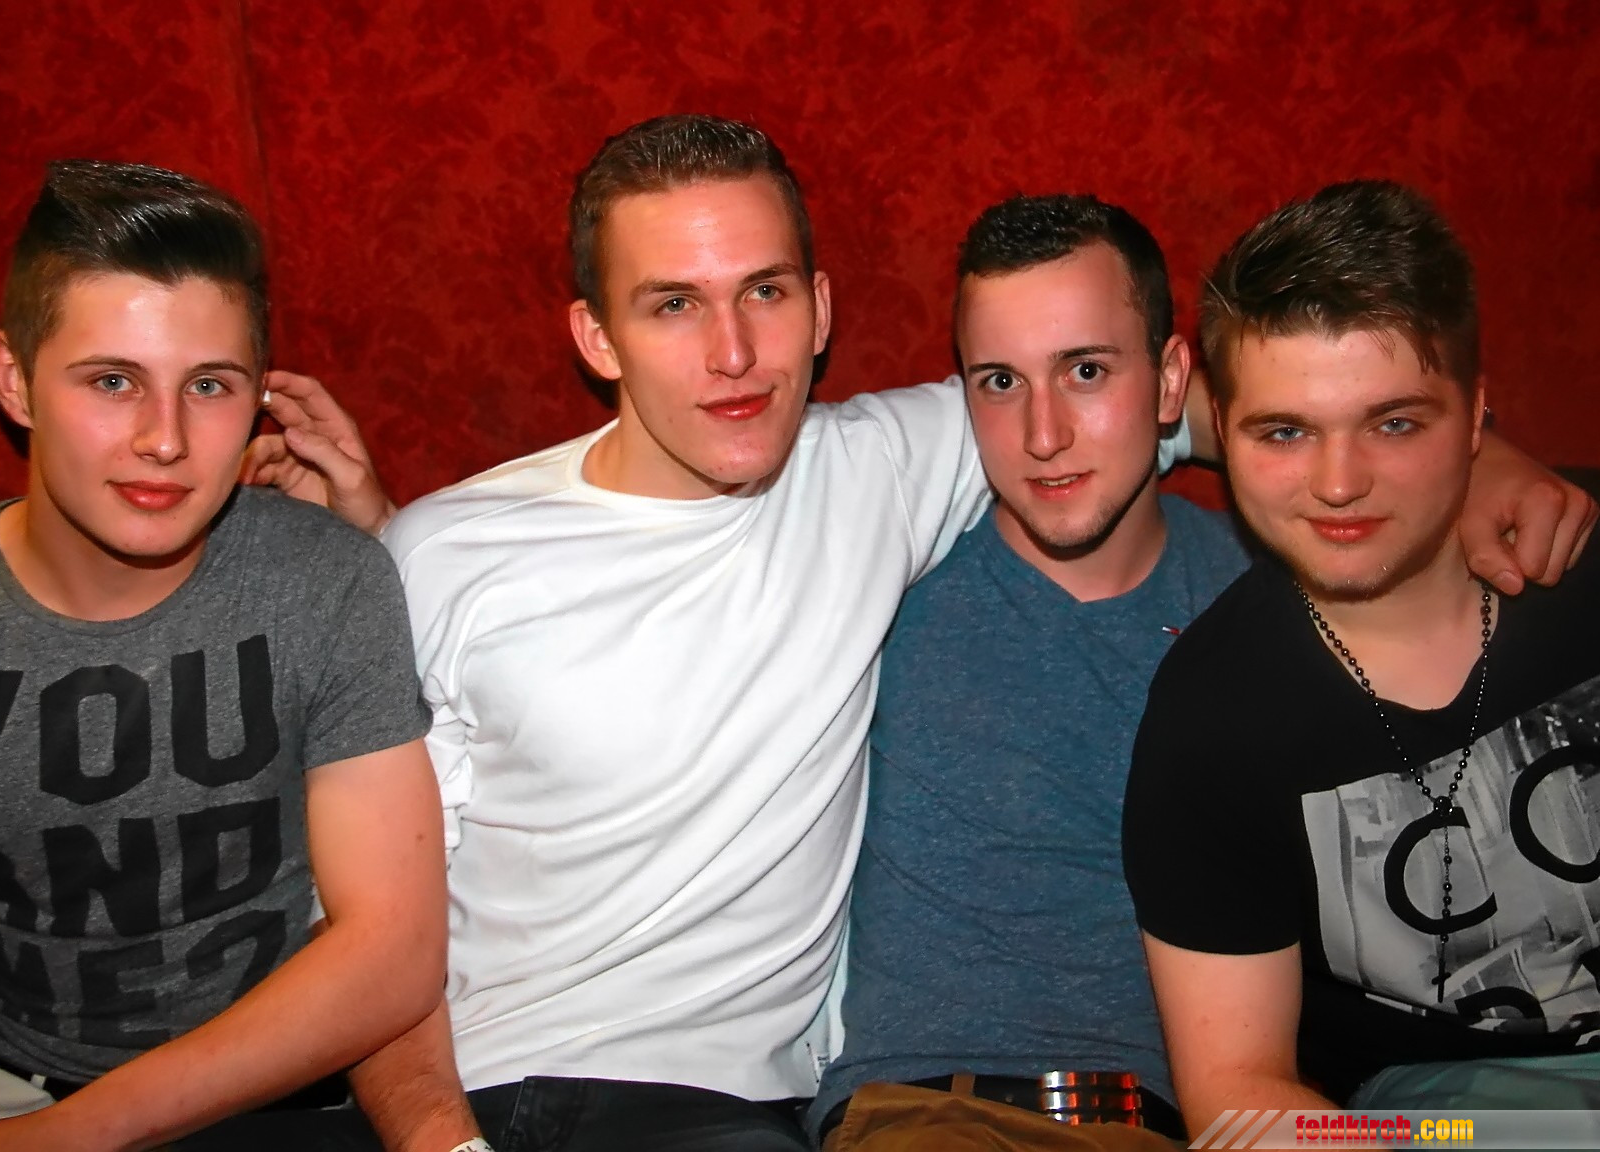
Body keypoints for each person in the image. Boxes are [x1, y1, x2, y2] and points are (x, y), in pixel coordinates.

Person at [243, 119, 1596, 1152]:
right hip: (832, 1111)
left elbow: (1298, 408)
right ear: (596, 336)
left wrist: (1473, 457)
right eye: (672, 304)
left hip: (1044, 1117)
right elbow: (387, 891)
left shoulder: (1204, 585)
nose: (1042, 431)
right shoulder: (477, 552)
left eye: (763, 293)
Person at [0, 160, 449, 1152]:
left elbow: (392, 955)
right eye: (112, 381)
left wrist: (73, 1140)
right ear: (15, 379)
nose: (166, 439)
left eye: (210, 386)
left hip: (276, 1089)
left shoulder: (327, 581)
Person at [1123, 180, 1600, 1134]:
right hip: (1439, 1126)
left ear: (1476, 416)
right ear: (1224, 434)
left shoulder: (1580, 562)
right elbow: (1238, 1097)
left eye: (1393, 423)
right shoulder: (1210, 724)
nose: (1338, 484)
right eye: (1285, 432)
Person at [808, 194, 1242, 1152]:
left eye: (1086, 371)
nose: (1043, 434)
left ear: (1170, 380)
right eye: (1000, 382)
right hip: (925, 1113)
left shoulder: (1257, 605)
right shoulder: (885, 585)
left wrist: (1478, 468)